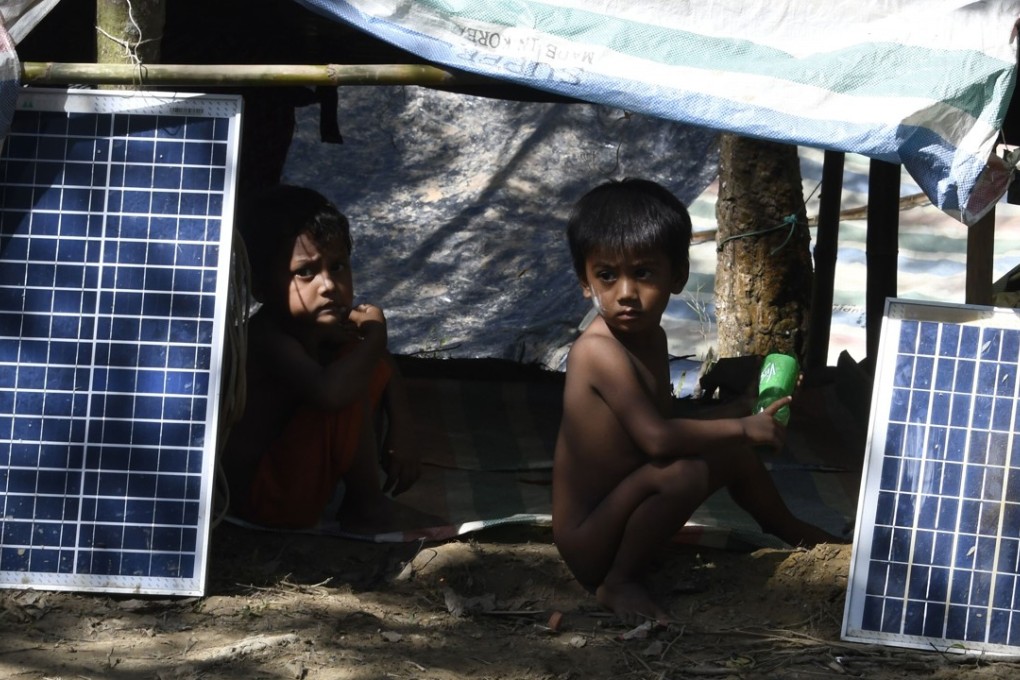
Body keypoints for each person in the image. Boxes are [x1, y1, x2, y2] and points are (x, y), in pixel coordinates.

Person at [552, 178, 840, 626]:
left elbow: (668, 421)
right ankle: (620, 582)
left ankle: (797, 536)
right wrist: (745, 426)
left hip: (624, 508)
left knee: (730, 453)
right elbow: (658, 440)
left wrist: (743, 409)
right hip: (589, 540)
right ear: (585, 282)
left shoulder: (651, 336)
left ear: (678, 276)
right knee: (686, 472)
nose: (625, 292)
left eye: (643, 273)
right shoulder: (598, 350)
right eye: (607, 275)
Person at [223, 184, 420, 533]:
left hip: (293, 482)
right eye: (305, 273)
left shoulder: (318, 323)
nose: (328, 285)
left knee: (357, 362)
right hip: (263, 499)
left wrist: (403, 429)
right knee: (345, 381)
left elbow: (382, 363)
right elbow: (331, 394)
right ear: (261, 286)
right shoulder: (268, 338)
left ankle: (357, 499)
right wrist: (375, 336)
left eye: (338, 266)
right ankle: (367, 506)